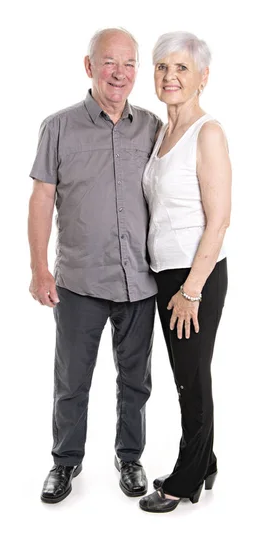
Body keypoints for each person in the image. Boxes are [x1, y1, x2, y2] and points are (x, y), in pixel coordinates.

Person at [28, 28, 162, 504]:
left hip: (140, 280)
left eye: (128, 63)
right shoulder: (58, 127)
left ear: (136, 70)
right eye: (109, 62)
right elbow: (42, 198)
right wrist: (39, 268)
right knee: (71, 382)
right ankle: (65, 463)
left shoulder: (152, 127)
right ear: (90, 67)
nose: (119, 73)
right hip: (80, 282)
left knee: (136, 381)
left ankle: (130, 458)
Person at [139, 32, 231, 513]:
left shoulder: (207, 132)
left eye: (181, 68)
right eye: (161, 67)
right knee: (186, 372)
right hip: (166, 274)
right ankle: (207, 459)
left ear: (202, 77)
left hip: (195, 277)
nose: (170, 76)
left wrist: (191, 290)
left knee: (190, 378)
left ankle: (185, 478)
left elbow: (219, 220)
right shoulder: (161, 131)